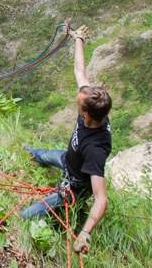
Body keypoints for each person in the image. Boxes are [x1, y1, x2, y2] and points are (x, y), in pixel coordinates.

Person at [20, 25, 112, 255]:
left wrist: (86, 232)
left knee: (25, 216)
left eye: (78, 102)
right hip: (67, 157)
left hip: (72, 187)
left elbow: (101, 199)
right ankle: (31, 152)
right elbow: (80, 72)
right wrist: (78, 39)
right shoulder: (93, 104)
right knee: (40, 154)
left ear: (87, 114)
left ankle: (59, 211)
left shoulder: (95, 150)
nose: (76, 98)